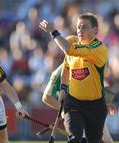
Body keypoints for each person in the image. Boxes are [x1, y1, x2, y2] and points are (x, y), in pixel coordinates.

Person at [39, 12, 109, 143]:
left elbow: (69, 50)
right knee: (74, 140)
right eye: (78, 27)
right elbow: (66, 67)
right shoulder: (72, 41)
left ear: (95, 30)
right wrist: (63, 88)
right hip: (74, 103)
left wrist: (52, 31)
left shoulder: (98, 49)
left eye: (84, 27)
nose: (80, 30)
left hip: (96, 105)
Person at [42, 62, 116, 143]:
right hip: (75, 115)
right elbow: (46, 97)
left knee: (108, 141)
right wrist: (65, 109)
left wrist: (104, 103)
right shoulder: (59, 72)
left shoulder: (86, 64)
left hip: (93, 111)